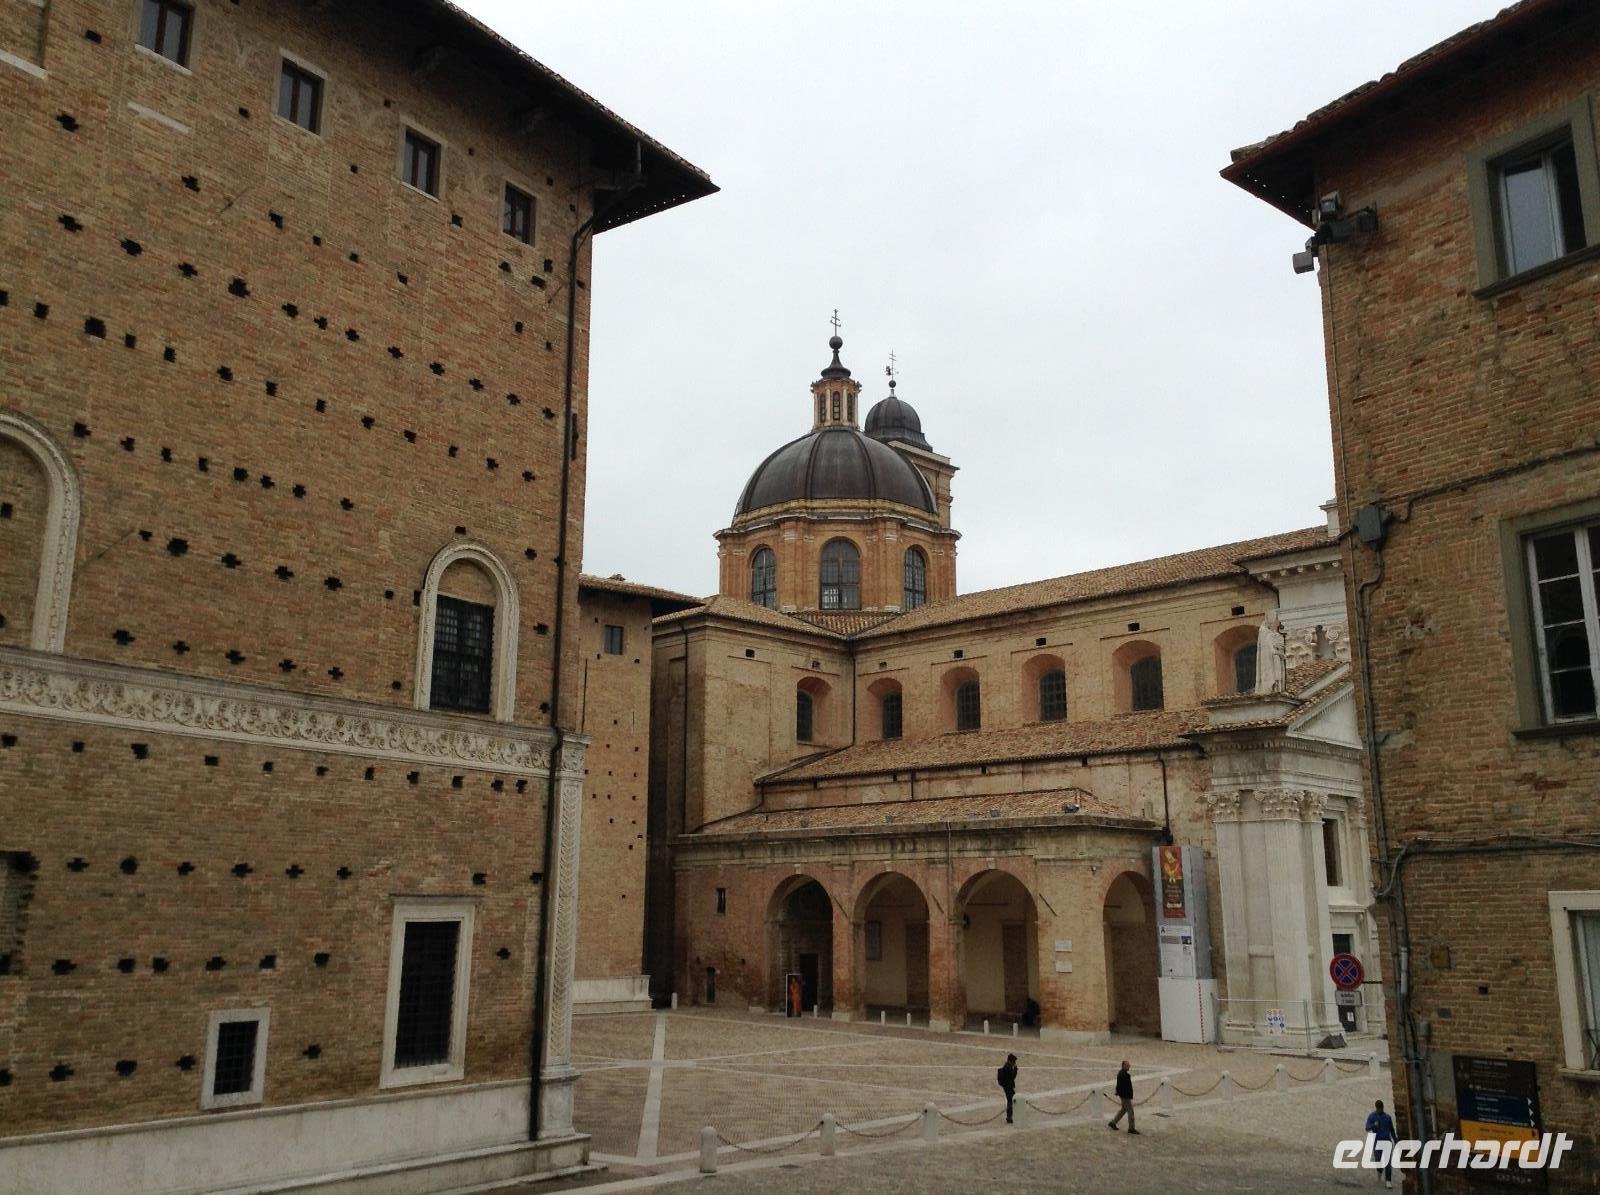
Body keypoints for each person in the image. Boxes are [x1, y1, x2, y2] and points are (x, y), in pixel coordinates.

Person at [1365, 1098, 1397, 1189]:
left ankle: (1388, 1180)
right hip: (1377, 1142)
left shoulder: (1387, 1117)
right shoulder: (1372, 1117)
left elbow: (1391, 1129)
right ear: (1376, 1108)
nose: (1380, 1110)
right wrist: (1373, 1125)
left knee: (1388, 1162)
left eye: (1381, 1108)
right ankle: (1379, 1171)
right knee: (1378, 1160)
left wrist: (1395, 1139)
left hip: (1387, 1141)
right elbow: (1367, 1128)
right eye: (1379, 1109)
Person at [1108, 1060, 1139, 1134]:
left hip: (1124, 1095)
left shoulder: (1121, 1073)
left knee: (1123, 1110)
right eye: (1127, 1065)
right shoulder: (1124, 1075)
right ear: (1123, 1066)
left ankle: (1113, 1123)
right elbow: (1123, 1086)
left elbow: (1119, 1085)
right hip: (1125, 1096)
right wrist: (1125, 1094)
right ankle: (1131, 1128)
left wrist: (1118, 1091)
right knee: (1130, 1111)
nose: (1129, 1066)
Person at [997, 1053, 1018, 1124]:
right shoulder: (1008, 1066)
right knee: (1011, 1100)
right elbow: (1013, 1076)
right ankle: (1009, 1116)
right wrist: (1015, 1069)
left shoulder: (1007, 1065)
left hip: (1007, 1086)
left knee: (1012, 1100)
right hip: (1008, 1086)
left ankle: (1010, 1115)